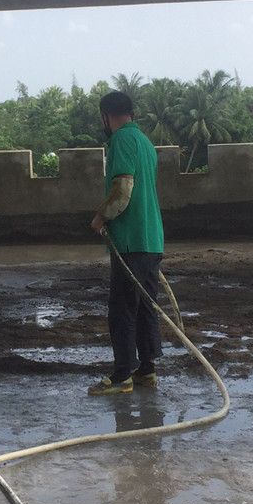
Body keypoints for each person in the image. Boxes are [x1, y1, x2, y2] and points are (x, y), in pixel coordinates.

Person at [88, 90, 164, 395]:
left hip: (130, 240)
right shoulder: (145, 142)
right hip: (151, 238)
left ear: (105, 117)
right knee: (145, 306)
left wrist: (100, 217)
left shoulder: (120, 140)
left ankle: (122, 375)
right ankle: (147, 369)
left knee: (122, 309)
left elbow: (122, 188)